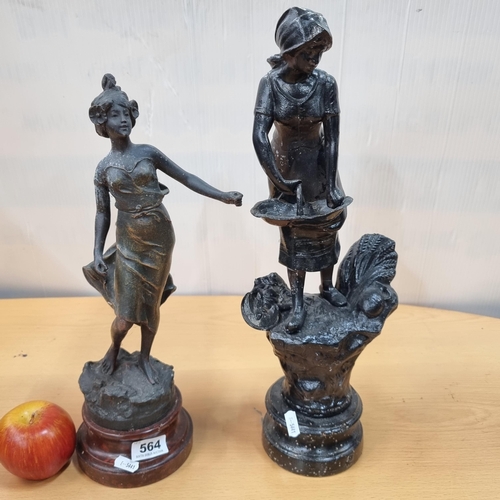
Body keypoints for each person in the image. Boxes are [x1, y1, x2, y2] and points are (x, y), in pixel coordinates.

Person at [85, 74, 242, 383]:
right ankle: (114, 350)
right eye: (115, 115)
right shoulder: (103, 169)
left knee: (151, 306)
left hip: (159, 237)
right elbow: (102, 212)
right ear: (103, 123)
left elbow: (186, 177)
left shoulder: (148, 153)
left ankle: (145, 358)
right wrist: (97, 251)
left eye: (126, 113)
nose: (123, 120)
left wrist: (222, 195)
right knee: (124, 316)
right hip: (128, 241)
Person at [252, 8, 348, 333]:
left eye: (319, 51)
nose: (315, 59)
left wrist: (332, 184)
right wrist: (278, 181)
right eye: (308, 52)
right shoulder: (270, 84)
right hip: (284, 166)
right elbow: (259, 135)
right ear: (289, 52)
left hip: (320, 167)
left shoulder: (326, 84)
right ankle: (297, 302)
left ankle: (327, 285)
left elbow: (332, 139)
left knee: (328, 223)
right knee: (293, 234)